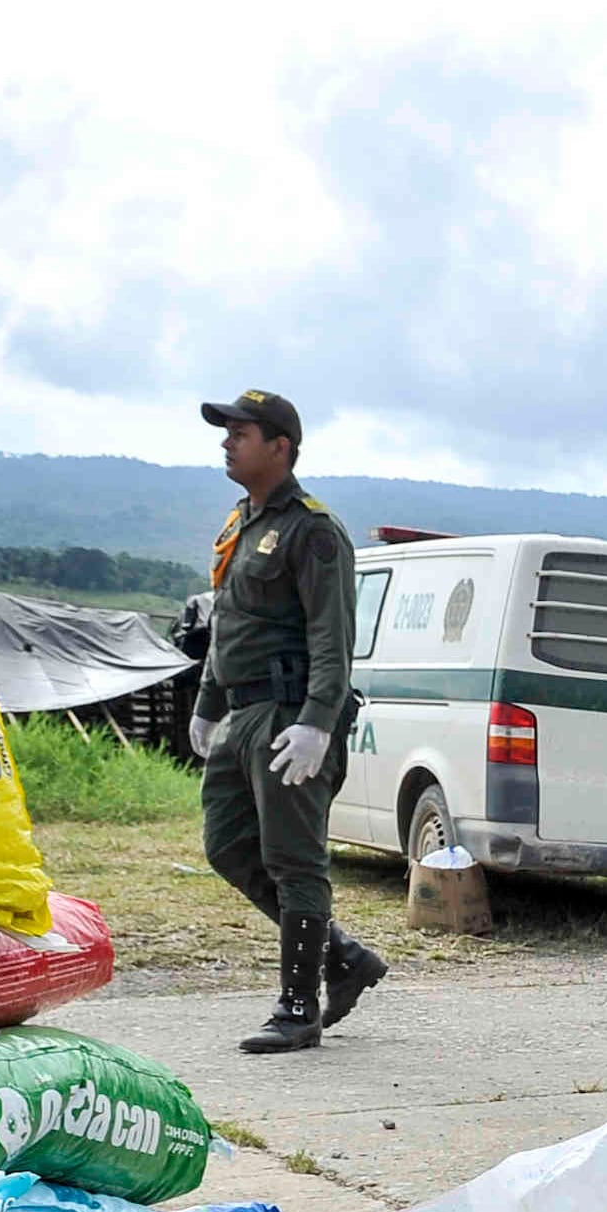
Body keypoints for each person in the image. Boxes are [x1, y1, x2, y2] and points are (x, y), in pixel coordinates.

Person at [194, 388, 386, 1055]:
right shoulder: (239, 524)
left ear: (279, 446)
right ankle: (344, 957)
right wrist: (207, 702)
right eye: (226, 432)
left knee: (293, 859)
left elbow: (333, 638)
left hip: (289, 715)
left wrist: (317, 723)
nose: (227, 442)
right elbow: (226, 624)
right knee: (226, 844)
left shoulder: (313, 531)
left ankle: (299, 1009)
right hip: (242, 712)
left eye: (240, 433)